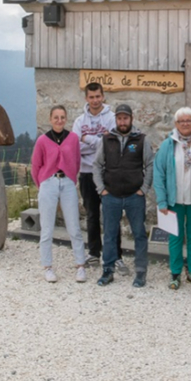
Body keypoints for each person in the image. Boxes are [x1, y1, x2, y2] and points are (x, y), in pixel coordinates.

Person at [92, 104, 153, 288]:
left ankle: (141, 272)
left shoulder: (141, 139)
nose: (122, 121)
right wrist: (101, 189)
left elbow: (150, 164)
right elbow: (96, 165)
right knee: (110, 234)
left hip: (135, 196)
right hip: (111, 196)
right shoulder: (106, 139)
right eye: (119, 118)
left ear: (131, 119)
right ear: (116, 120)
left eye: (125, 118)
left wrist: (144, 188)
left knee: (139, 234)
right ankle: (108, 270)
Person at [30, 105, 89, 283]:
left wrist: (71, 178)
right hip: (48, 182)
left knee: (74, 227)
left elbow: (77, 161)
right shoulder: (42, 140)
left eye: (62, 117)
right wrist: (41, 184)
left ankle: (80, 266)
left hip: (68, 183)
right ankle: (47, 267)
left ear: (66, 119)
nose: (59, 120)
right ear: (50, 119)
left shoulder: (72, 138)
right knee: (47, 228)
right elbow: (35, 165)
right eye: (56, 117)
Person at [155, 107, 191, 289]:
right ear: (176, 124)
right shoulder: (168, 144)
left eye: (189, 120)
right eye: (181, 121)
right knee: (175, 237)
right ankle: (175, 273)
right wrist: (162, 201)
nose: (185, 124)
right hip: (174, 200)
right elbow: (159, 173)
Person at [73, 83, 117, 262]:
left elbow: (112, 145)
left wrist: (88, 138)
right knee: (92, 214)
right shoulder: (79, 121)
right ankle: (93, 252)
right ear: (86, 98)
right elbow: (76, 147)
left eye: (98, 96)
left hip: (107, 172)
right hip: (86, 173)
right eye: (91, 97)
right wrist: (99, 141)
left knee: (110, 214)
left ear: (103, 96)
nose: (95, 100)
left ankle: (112, 252)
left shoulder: (112, 118)